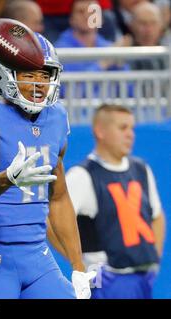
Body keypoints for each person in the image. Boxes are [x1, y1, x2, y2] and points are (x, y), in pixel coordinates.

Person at [0, 27, 95, 299]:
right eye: (29, 75)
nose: (40, 84)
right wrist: (8, 178)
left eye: (45, 75)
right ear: (6, 75)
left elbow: (59, 198)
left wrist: (77, 265)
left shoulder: (56, 117)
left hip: (38, 256)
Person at [65, 104, 166, 299]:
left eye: (132, 128)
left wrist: (154, 260)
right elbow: (54, 222)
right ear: (100, 131)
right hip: (108, 281)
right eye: (122, 128)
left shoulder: (141, 168)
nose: (130, 135)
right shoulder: (82, 175)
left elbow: (157, 216)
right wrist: (78, 263)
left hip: (143, 278)